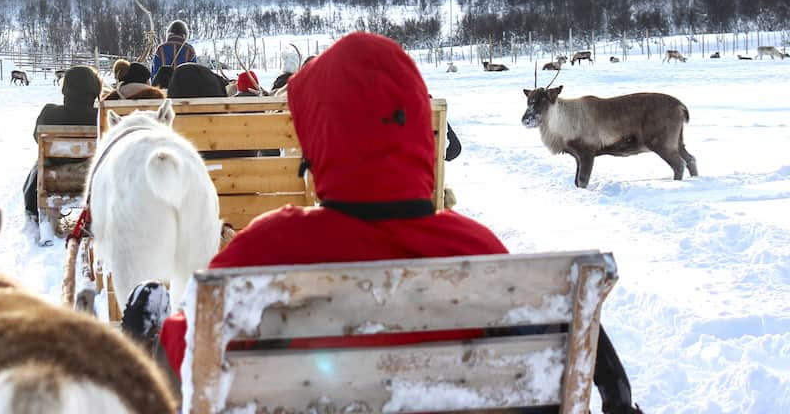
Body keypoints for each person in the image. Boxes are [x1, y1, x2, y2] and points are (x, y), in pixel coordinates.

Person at [156, 32, 643, 414]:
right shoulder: (476, 250)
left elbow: (184, 356)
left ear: (320, 137)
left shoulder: (269, 247)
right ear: (414, 126)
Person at [22, 65, 102, 220]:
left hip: (54, 179)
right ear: (94, 90)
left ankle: (33, 211)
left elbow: (37, 138)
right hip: (93, 179)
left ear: (65, 89)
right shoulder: (101, 116)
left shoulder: (49, 113)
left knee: (37, 165)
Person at [150, 20, 196, 84]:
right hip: (184, 89)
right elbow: (194, 74)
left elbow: (154, 73)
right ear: (185, 34)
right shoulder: (189, 50)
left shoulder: (161, 49)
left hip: (164, 89)